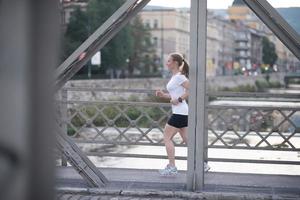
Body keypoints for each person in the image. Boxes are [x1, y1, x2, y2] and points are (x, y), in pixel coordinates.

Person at [156, 53, 210, 176]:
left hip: (180, 112)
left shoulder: (180, 77)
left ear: (175, 63)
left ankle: (172, 167)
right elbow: (174, 95)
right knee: (188, 140)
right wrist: (163, 95)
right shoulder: (175, 77)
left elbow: (191, 89)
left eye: (169, 61)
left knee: (167, 138)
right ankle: (202, 165)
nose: (167, 63)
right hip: (182, 112)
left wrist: (179, 99)